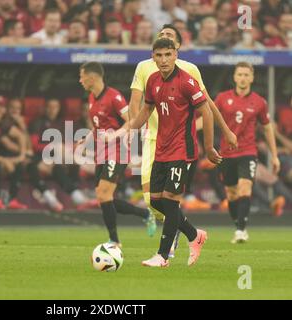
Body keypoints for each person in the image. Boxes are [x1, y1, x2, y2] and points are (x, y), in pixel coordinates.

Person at [129, 24, 237, 226]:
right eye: (161, 36)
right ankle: (187, 232)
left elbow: (207, 104)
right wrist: (131, 131)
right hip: (152, 139)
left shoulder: (189, 70)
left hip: (179, 141)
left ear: (177, 48)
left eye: (169, 36)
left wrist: (226, 130)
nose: (164, 38)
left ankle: (169, 243)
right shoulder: (145, 68)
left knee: (170, 198)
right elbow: (136, 104)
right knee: (151, 201)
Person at [129, 38, 221, 268]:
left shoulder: (187, 82)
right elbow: (146, 109)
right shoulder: (152, 81)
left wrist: (209, 148)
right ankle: (194, 235)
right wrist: (127, 129)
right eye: (158, 55)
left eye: (167, 55)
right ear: (153, 57)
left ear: (175, 55)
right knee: (157, 201)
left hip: (183, 149)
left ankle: (162, 256)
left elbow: (207, 113)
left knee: (170, 201)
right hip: (162, 148)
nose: (163, 60)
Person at [78, 62, 157, 246]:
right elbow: (99, 127)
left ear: (92, 77)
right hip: (101, 152)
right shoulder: (91, 98)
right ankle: (145, 214)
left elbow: (131, 121)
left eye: (82, 76)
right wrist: (87, 137)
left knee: (104, 194)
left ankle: (114, 241)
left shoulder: (114, 97)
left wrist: (115, 136)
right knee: (103, 197)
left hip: (118, 151)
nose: (80, 80)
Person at [214, 62, 280, 244]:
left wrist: (274, 155)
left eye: (246, 75)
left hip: (248, 151)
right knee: (231, 194)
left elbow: (267, 129)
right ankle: (238, 225)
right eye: (240, 74)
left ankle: (241, 230)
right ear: (235, 77)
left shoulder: (259, 102)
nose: (243, 78)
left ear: (252, 78)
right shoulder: (222, 98)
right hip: (226, 153)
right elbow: (208, 118)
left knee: (245, 187)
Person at [4, 98, 64, 212]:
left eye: (18, 109)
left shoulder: (21, 124)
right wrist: (22, 154)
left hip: (21, 157)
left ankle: (48, 197)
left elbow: (28, 146)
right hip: (6, 157)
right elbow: (12, 146)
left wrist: (22, 126)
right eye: (12, 108)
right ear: (7, 109)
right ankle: (11, 199)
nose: (15, 111)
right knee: (25, 163)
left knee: (31, 166)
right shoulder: (3, 123)